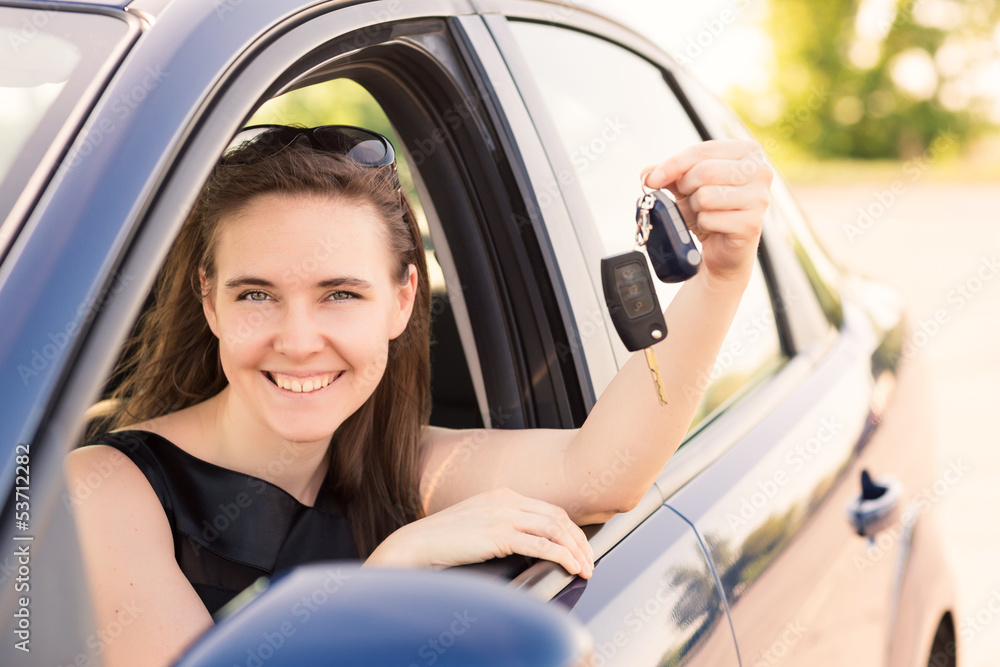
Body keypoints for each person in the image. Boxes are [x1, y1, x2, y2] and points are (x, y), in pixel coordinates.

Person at [63, 124, 772, 666]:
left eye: (340, 293)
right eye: (256, 294)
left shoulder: (401, 458)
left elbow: (601, 474)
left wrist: (723, 272)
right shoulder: (103, 489)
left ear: (404, 300)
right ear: (209, 302)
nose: (299, 339)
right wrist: (389, 576)